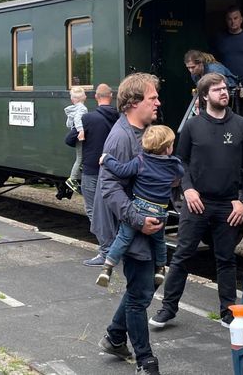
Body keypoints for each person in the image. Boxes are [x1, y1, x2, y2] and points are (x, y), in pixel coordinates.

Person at [150, 73, 243, 330]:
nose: (223, 93)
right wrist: (188, 189)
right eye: (217, 89)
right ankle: (167, 309)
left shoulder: (242, 126)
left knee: (226, 258)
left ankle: (228, 312)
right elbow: (180, 161)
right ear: (204, 95)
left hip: (229, 206)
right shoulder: (193, 126)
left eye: (225, 88)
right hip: (197, 203)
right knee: (183, 255)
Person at [90, 73, 165, 375]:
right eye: (152, 98)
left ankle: (115, 336)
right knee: (140, 295)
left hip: (140, 224)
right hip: (129, 227)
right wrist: (139, 220)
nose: (158, 102)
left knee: (139, 288)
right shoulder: (121, 138)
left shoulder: (143, 132)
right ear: (134, 103)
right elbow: (109, 188)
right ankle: (145, 360)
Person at [95, 125, 184, 289]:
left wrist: (107, 158)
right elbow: (178, 179)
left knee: (122, 239)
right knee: (159, 242)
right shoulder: (175, 165)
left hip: (138, 208)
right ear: (167, 148)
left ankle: (106, 268)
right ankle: (160, 268)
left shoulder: (141, 161)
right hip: (159, 211)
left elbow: (121, 170)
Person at [72, 84, 117, 266]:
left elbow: (70, 138)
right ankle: (115, 249)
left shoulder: (88, 118)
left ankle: (105, 251)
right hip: (113, 168)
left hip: (92, 169)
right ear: (111, 96)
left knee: (94, 211)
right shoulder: (119, 117)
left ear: (96, 97)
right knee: (113, 210)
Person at [64, 86, 88, 192]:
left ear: (72, 99)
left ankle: (81, 168)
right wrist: (81, 131)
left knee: (80, 156)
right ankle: (72, 179)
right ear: (83, 97)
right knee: (79, 158)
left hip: (76, 135)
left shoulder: (73, 109)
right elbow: (78, 120)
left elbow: (69, 124)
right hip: (80, 136)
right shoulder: (82, 108)